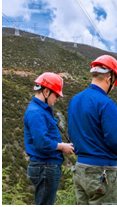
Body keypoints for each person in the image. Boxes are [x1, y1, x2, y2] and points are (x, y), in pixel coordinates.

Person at [68, 55, 117, 205]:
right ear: (109, 78)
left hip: (80, 169)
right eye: (114, 82)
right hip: (101, 172)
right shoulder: (106, 103)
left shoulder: (74, 100)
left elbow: (72, 132)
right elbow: (114, 138)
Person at [24, 72, 74, 205]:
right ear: (46, 91)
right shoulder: (36, 112)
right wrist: (62, 146)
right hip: (45, 167)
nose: (57, 98)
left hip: (45, 167)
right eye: (56, 94)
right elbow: (41, 143)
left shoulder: (41, 110)